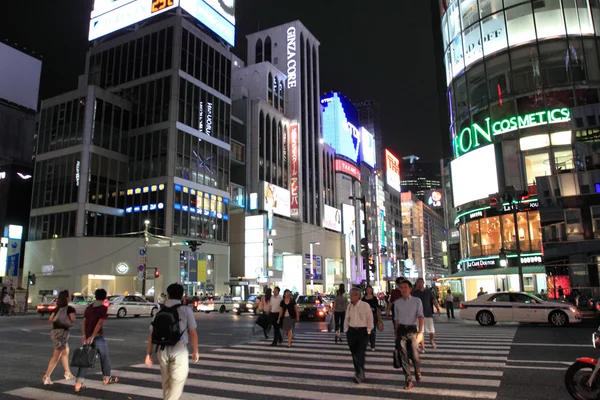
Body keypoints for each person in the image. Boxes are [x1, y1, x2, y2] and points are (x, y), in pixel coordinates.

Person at [145, 283, 199, 400]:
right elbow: (193, 333)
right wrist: (195, 350)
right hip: (179, 349)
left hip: (161, 349)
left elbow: (151, 334)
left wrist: (148, 354)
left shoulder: (159, 311)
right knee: (178, 381)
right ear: (182, 296)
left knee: (166, 381)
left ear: (168, 295)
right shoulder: (185, 310)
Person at [74, 288, 118, 393]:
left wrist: (85, 335)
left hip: (88, 335)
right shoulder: (103, 308)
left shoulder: (89, 307)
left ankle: (79, 383)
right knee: (105, 357)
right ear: (104, 297)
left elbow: (84, 322)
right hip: (97, 337)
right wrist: (93, 336)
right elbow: (99, 323)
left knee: (86, 359)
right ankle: (107, 377)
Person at [394, 280, 424, 390]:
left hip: (412, 330)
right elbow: (396, 319)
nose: (403, 289)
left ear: (410, 289)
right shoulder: (397, 302)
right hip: (401, 330)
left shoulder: (417, 301)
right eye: (401, 288)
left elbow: (421, 316)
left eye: (405, 287)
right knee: (403, 356)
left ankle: (417, 369)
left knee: (414, 355)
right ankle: (408, 380)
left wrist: (420, 331)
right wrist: (396, 333)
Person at [43, 290, 76, 385]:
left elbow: (50, 319)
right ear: (66, 298)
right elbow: (73, 319)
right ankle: (47, 376)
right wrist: (67, 321)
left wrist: (58, 320)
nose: (70, 297)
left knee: (65, 351)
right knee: (57, 355)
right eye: (69, 296)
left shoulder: (57, 308)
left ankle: (67, 372)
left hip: (55, 332)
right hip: (63, 333)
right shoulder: (69, 309)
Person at [344, 287, 373, 384]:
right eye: (350, 294)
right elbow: (346, 318)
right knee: (354, 353)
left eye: (352, 295)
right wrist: (346, 330)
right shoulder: (349, 306)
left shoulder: (365, 305)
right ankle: (359, 371)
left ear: (358, 296)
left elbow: (370, 318)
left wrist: (369, 330)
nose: (350, 297)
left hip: (363, 331)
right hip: (352, 331)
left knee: (360, 352)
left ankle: (360, 373)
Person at [412, 278, 440, 353]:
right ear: (417, 284)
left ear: (423, 283)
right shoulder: (414, 293)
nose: (420, 284)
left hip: (428, 313)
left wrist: (437, 308)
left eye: (421, 282)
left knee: (432, 331)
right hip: (418, 315)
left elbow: (433, 300)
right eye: (418, 282)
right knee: (421, 331)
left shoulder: (428, 291)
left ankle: (431, 340)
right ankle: (423, 347)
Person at [361, 285, 380, 351]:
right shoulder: (363, 298)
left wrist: (374, 309)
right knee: (365, 331)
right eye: (367, 289)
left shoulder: (374, 298)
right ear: (366, 290)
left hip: (373, 315)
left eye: (370, 289)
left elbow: (377, 307)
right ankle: (366, 343)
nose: (369, 290)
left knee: (373, 331)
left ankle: (372, 345)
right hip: (365, 316)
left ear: (372, 290)